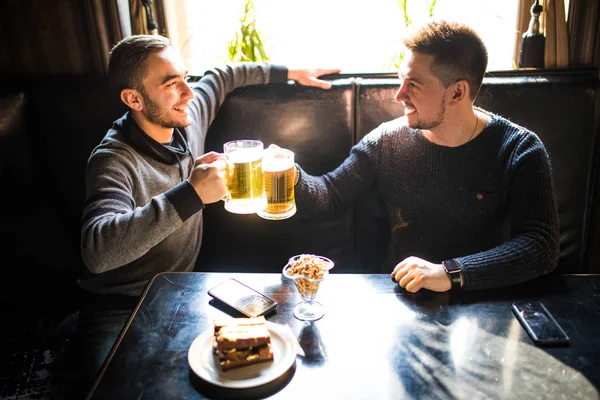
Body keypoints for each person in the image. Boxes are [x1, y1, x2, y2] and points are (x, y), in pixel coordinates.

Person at [77, 33, 339, 393]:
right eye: (172, 84)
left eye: (185, 77)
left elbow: (223, 74)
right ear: (133, 99)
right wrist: (191, 194)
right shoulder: (113, 161)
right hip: (118, 307)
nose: (188, 92)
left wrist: (292, 71)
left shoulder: (187, 116)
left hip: (178, 295)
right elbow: (97, 253)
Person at [293, 20, 559, 293]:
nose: (399, 95)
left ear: (457, 92)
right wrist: (290, 174)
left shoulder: (519, 149)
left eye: (414, 85)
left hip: (482, 303)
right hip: (400, 297)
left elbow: (541, 245)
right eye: (400, 81)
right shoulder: (387, 141)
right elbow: (330, 195)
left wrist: (450, 273)